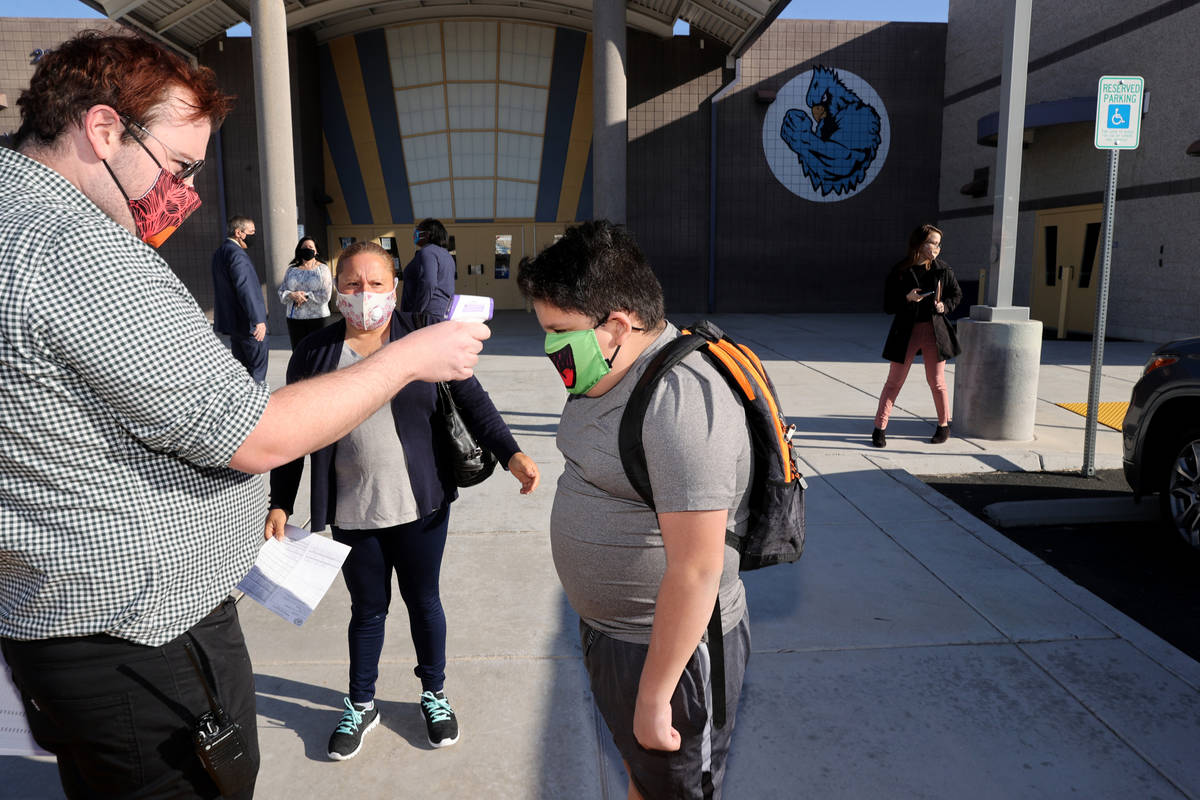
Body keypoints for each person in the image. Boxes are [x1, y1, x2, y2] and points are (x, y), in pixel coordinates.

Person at [0, 31, 489, 800]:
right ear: (102, 130)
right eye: (180, 167)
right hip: (142, 643)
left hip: (70, 624)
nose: (184, 195)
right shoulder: (73, 248)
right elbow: (258, 434)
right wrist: (412, 356)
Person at [265, 241, 540, 761]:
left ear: (395, 288)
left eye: (375, 284)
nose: (363, 295)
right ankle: (362, 702)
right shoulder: (314, 353)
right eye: (351, 284)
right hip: (352, 512)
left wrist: (512, 454)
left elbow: (471, 398)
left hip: (422, 505)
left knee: (423, 602)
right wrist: (281, 500)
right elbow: (291, 431)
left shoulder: (419, 339)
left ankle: (433, 694)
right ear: (334, 290)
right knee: (367, 611)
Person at [516, 220, 752, 800]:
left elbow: (699, 568)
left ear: (618, 326)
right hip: (615, 636)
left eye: (558, 331)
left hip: (669, 654)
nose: (548, 346)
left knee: (676, 789)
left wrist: (654, 695)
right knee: (642, 777)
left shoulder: (681, 404)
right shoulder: (607, 370)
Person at [871, 223, 962, 448]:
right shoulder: (900, 271)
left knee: (937, 382)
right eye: (932, 243)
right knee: (894, 382)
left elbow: (956, 294)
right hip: (906, 331)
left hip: (935, 332)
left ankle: (943, 426)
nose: (937, 248)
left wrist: (944, 307)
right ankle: (879, 429)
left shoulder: (942, 269)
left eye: (939, 244)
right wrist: (907, 298)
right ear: (920, 244)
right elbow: (888, 305)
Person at [212, 215, 270, 381]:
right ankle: (259, 404)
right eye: (251, 232)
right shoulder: (237, 255)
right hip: (249, 325)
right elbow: (246, 289)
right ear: (239, 233)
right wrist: (258, 320)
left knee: (242, 374)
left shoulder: (220, 253)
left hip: (235, 326)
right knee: (257, 373)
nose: (254, 235)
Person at [278, 235, 333, 348]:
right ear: (299, 250)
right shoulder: (291, 270)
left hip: (318, 318)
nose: (307, 249)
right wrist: (292, 295)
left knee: (318, 352)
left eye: (310, 247)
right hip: (295, 319)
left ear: (316, 251)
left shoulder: (323, 269)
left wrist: (305, 296)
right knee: (299, 352)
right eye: (304, 247)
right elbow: (282, 291)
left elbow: (326, 295)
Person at [400, 217, 456, 318]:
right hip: (442, 312)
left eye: (418, 230)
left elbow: (428, 283)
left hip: (427, 314)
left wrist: (417, 312)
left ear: (427, 234)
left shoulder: (427, 252)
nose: (415, 233)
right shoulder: (446, 255)